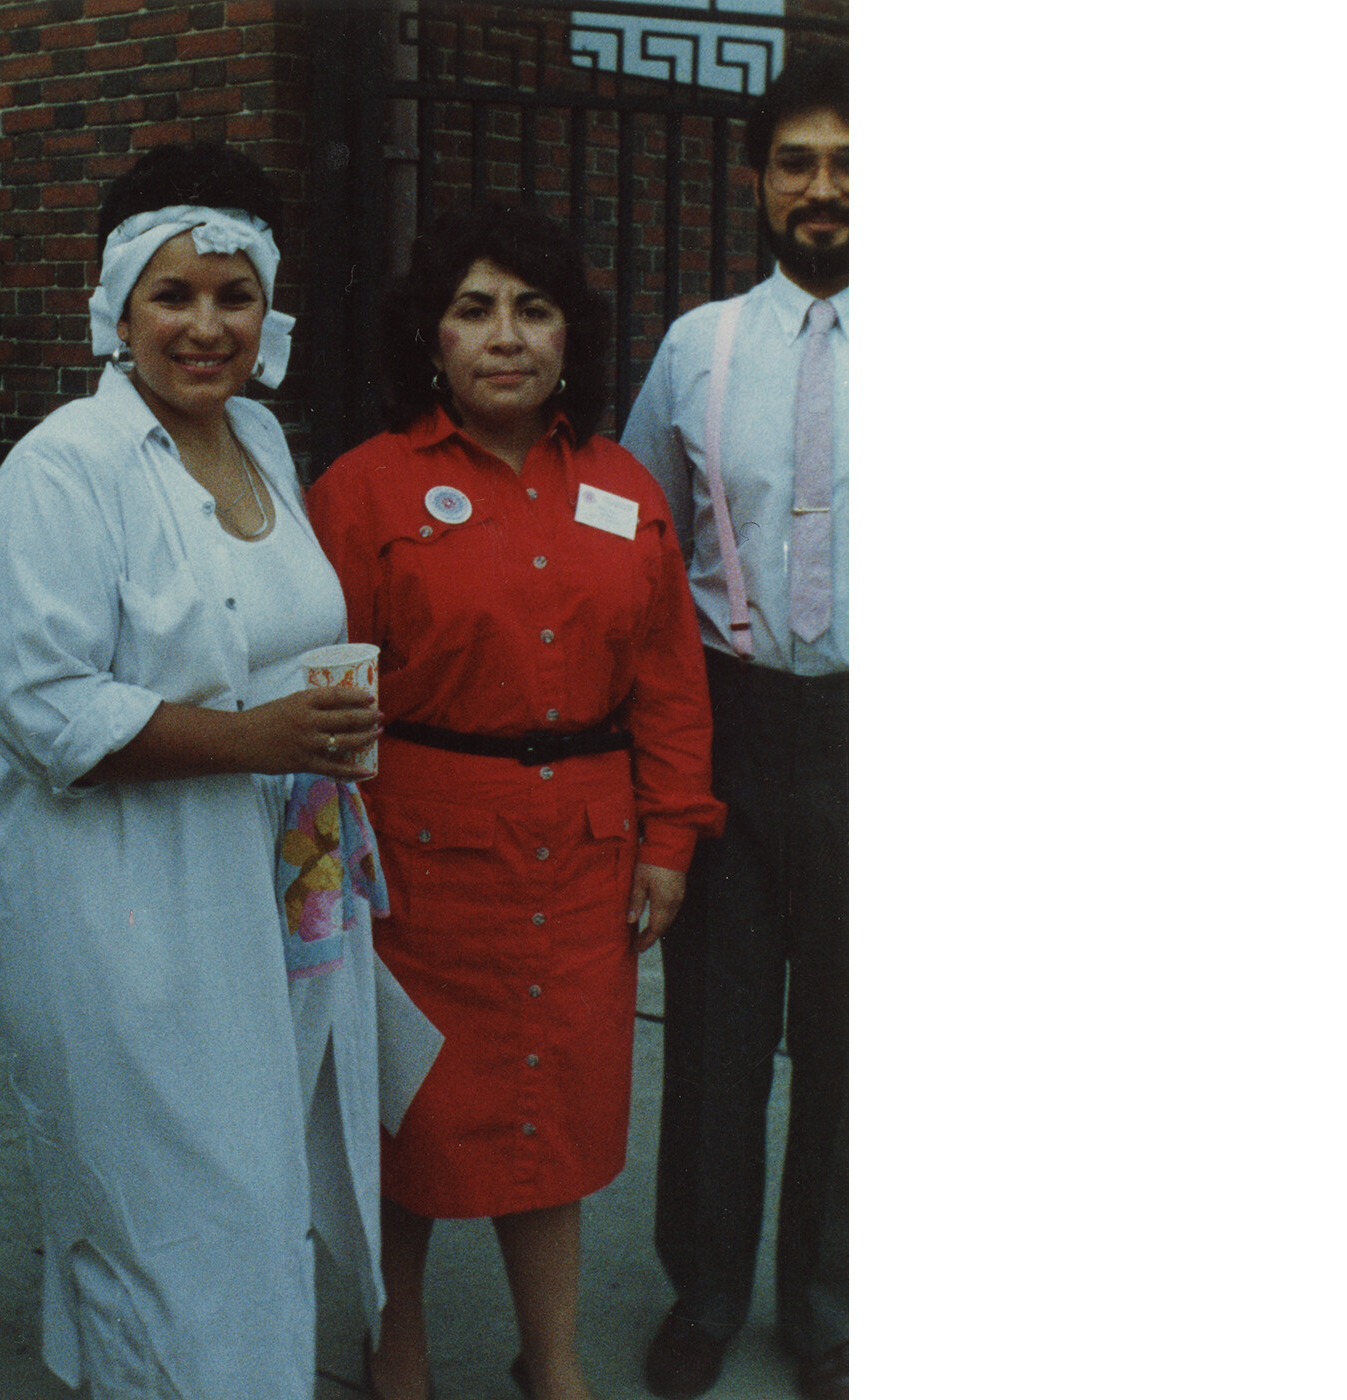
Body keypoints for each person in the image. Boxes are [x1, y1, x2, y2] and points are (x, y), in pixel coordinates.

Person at [0, 142, 389, 1400]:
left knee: (261, 1185)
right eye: (174, 294)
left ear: (272, 312)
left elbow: (279, 629)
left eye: (235, 294)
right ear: (115, 306)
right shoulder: (65, 465)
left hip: (276, 872)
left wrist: (317, 729)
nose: (207, 326)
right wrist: (255, 741)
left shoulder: (260, 433)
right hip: (124, 898)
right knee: (173, 1199)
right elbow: (40, 702)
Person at [308, 205, 725, 1400]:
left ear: (568, 339)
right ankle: (398, 1343)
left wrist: (672, 840)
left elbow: (669, 684)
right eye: (475, 308)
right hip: (416, 862)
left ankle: (554, 1359)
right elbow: (324, 695)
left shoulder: (623, 487)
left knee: (548, 1113)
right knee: (410, 1122)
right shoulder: (364, 490)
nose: (506, 336)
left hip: (582, 857)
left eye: (532, 309)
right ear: (430, 337)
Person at [616, 51, 850, 1400]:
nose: (826, 191)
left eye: (852, 165)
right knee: (713, 1029)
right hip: (729, 719)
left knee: (855, 1033)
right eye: (801, 162)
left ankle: (825, 1308)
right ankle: (705, 1289)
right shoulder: (692, 347)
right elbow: (643, 547)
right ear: (758, 178)